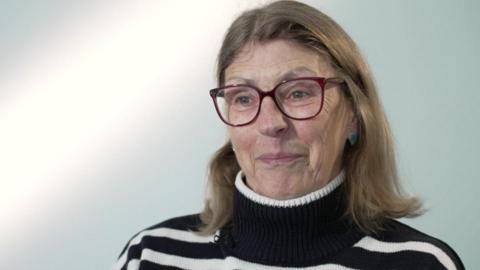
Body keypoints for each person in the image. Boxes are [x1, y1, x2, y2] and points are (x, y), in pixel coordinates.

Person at [114, 1, 464, 269]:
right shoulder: (151, 256)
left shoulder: (420, 263)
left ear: (355, 116)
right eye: (244, 98)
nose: (270, 123)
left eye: (298, 92)